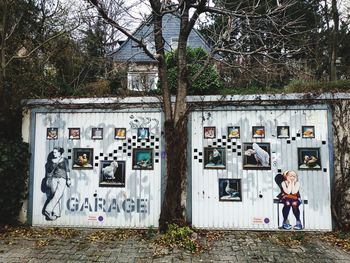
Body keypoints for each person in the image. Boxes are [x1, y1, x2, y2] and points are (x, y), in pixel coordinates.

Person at [44, 147, 71, 220]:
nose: (54, 154)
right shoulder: (51, 161)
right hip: (53, 179)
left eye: (55, 152)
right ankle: (56, 214)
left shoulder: (65, 160)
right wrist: (47, 179)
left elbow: (67, 170)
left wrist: (68, 179)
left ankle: (48, 210)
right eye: (53, 152)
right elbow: (48, 172)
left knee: (58, 195)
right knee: (54, 195)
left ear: (60, 153)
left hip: (62, 179)